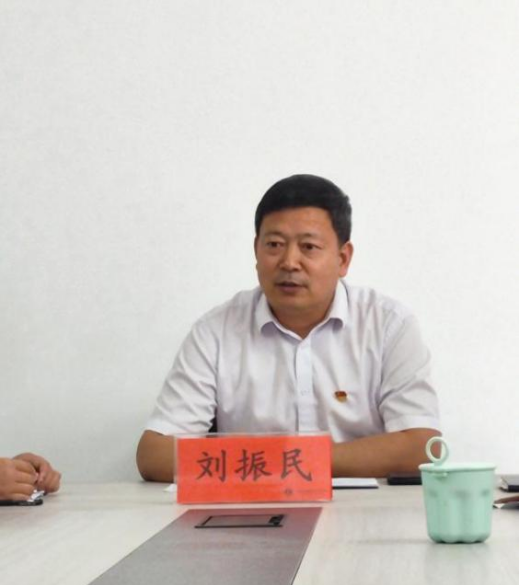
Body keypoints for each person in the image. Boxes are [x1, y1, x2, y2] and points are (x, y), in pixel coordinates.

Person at [137, 174, 440, 481]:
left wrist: (282, 461)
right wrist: (289, 462)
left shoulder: (388, 326)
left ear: (343, 259)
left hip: (364, 505)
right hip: (252, 508)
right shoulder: (215, 331)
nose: (289, 262)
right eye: (274, 245)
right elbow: (155, 454)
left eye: (309, 247)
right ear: (256, 251)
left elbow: (422, 447)